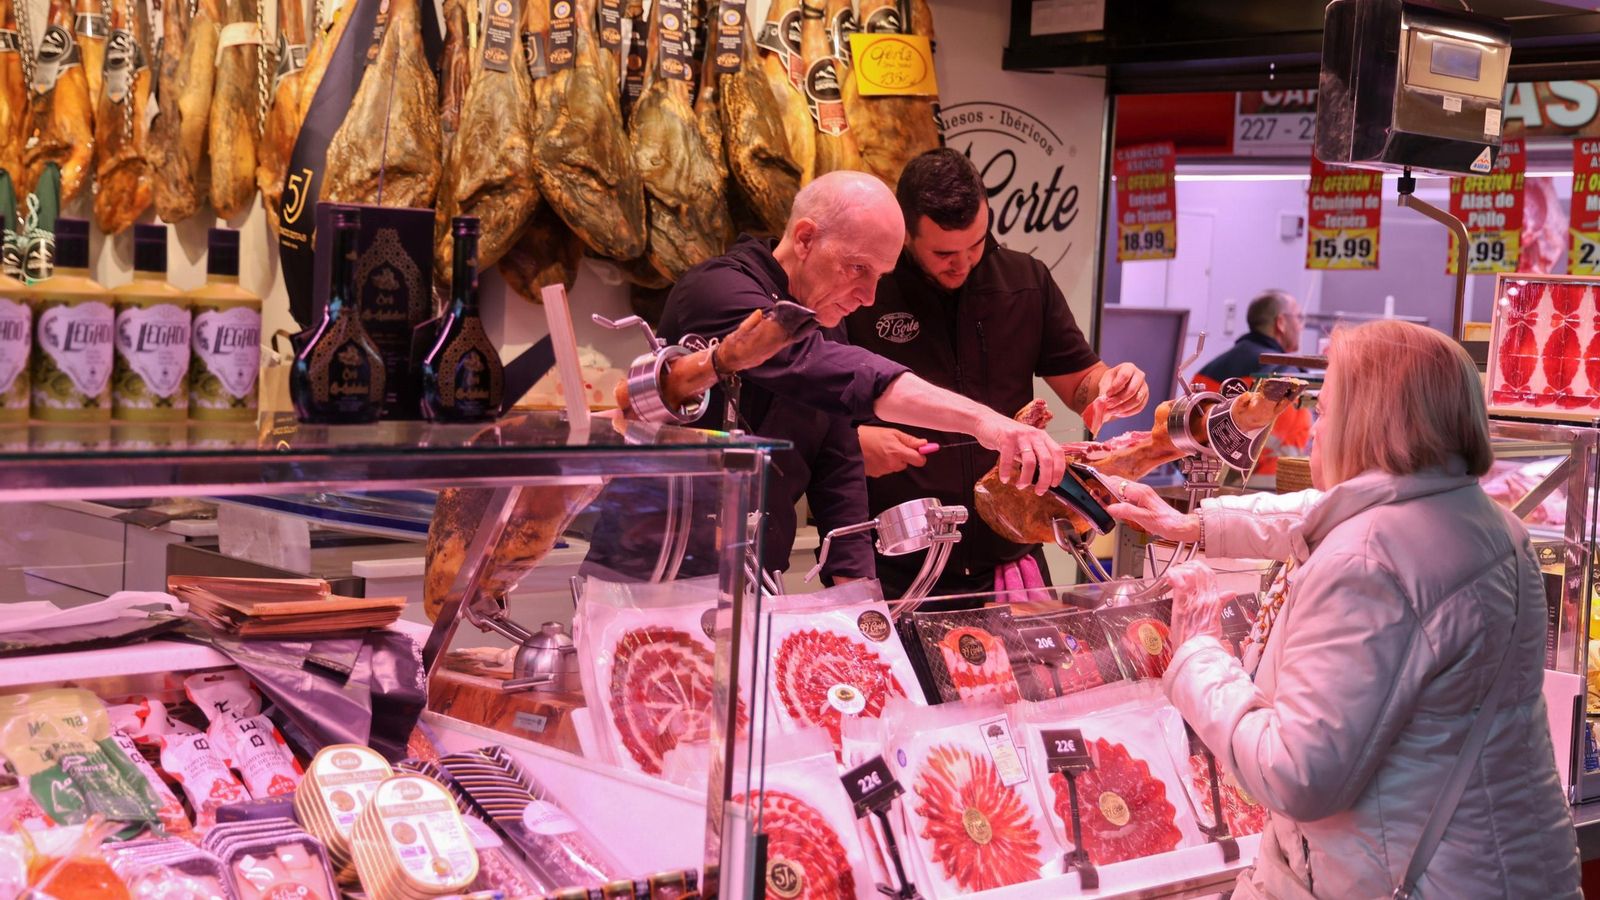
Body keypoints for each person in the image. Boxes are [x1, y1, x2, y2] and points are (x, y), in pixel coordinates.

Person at [1107, 320, 1581, 898]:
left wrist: (1200, 656)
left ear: (1370, 421)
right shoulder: (1486, 523)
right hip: (1506, 867)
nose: (1311, 434)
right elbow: (1334, 512)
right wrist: (1197, 524)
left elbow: (1296, 776)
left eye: (1326, 411)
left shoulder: (1367, 566)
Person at [584, 171, 1067, 585]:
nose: (869, 296)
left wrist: (857, 599)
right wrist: (987, 423)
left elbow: (838, 463)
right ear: (805, 238)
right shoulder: (717, 292)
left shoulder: (826, 321)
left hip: (752, 581)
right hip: (648, 574)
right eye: (859, 268)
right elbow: (830, 370)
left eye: (880, 275)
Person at [844, 148, 1148, 600]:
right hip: (893, 554)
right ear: (906, 233)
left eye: (976, 244)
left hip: (1009, 551)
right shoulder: (868, 288)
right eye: (945, 252)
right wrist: (855, 443)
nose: (963, 263)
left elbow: (1081, 382)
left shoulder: (1024, 280)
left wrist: (1111, 385)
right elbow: (815, 402)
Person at [1194, 289, 1312, 477]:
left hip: (1202, 481)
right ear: (1281, 323)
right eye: (1299, 318)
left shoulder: (1206, 371)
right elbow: (1285, 450)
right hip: (1261, 491)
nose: (1301, 327)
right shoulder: (1286, 377)